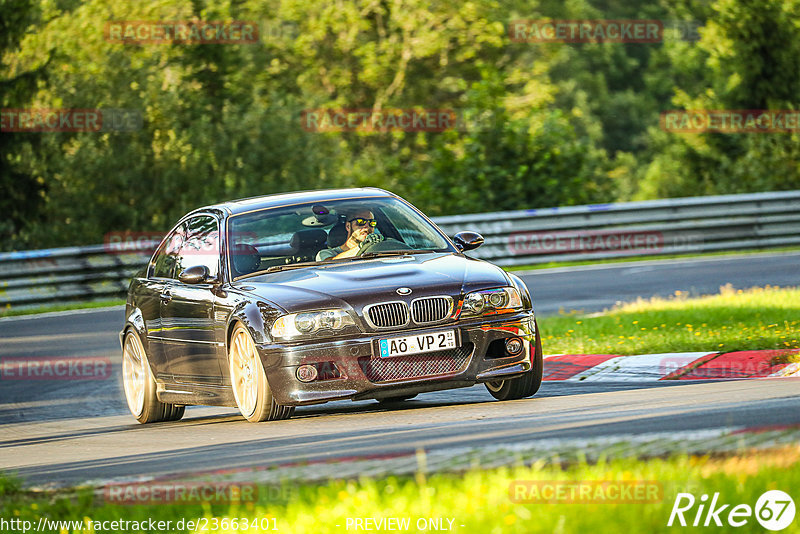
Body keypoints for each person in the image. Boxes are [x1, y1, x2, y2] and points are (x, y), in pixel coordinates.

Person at [316, 208, 383, 261]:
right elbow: (329, 265)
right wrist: (361, 247)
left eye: (372, 222)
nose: (367, 227)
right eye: (361, 222)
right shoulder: (326, 253)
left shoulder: (379, 249)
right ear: (348, 226)